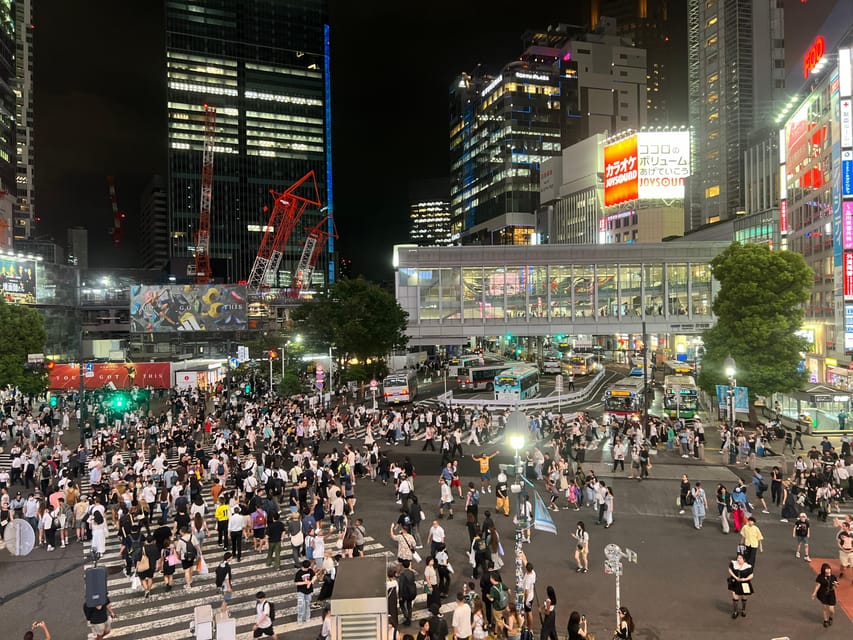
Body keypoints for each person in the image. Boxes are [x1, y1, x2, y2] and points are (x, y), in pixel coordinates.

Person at [812, 562, 839, 627]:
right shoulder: (820, 577)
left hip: (831, 593)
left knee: (831, 610)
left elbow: (836, 586)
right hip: (823, 593)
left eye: (829, 569)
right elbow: (818, 585)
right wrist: (814, 593)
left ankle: (830, 617)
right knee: (824, 607)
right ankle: (825, 620)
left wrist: (835, 584)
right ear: (823, 570)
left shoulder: (833, 577)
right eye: (826, 569)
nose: (828, 570)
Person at [727, 553, 754, 618]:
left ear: (744, 560)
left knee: (744, 596)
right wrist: (735, 577)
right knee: (735, 596)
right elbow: (730, 570)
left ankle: (743, 610)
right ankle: (735, 611)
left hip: (744, 583)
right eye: (738, 558)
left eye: (740, 558)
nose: (738, 559)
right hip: (734, 582)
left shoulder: (748, 566)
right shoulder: (733, 563)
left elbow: (751, 575)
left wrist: (745, 579)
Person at [295, 560, 317, 624]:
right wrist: (305, 582)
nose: (306, 569)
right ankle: (300, 619)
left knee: (307, 605)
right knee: (300, 605)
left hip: (308, 591)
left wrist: (311, 582)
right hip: (301, 591)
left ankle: (307, 617)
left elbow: (315, 576)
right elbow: (296, 583)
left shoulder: (310, 570)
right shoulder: (299, 573)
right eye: (305, 568)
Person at [397, 559, 417, 626]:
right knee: (409, 605)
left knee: (402, 604)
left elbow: (401, 586)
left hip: (405, 593)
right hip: (412, 592)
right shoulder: (412, 572)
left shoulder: (402, 574)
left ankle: (406, 617)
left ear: (403, 566)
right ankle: (409, 617)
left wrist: (400, 596)